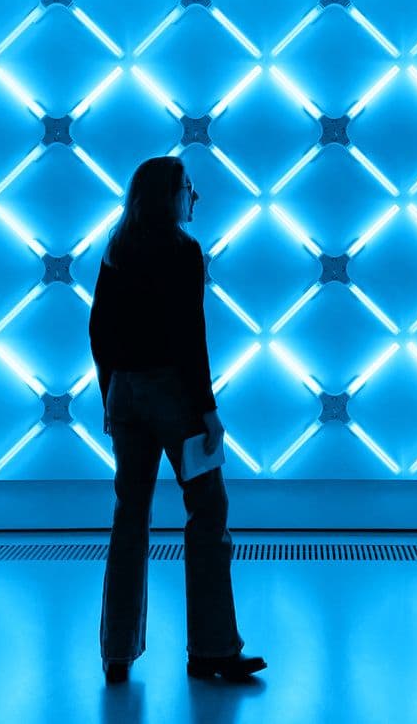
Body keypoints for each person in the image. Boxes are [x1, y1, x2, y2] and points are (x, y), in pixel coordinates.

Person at [88, 155, 268, 685]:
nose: (196, 197)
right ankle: (212, 649)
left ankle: (116, 652)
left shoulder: (116, 250)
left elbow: (98, 330)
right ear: (170, 195)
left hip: (124, 391)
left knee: (129, 518)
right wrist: (207, 411)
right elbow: (191, 338)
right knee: (208, 512)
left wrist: (111, 395)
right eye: (189, 188)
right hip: (172, 392)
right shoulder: (184, 251)